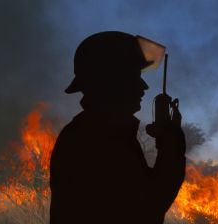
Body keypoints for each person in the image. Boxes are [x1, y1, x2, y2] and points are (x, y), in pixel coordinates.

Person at [49, 31, 186, 224]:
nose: (143, 87)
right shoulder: (95, 140)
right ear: (110, 81)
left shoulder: (97, 132)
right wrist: (171, 140)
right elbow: (149, 208)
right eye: (134, 76)